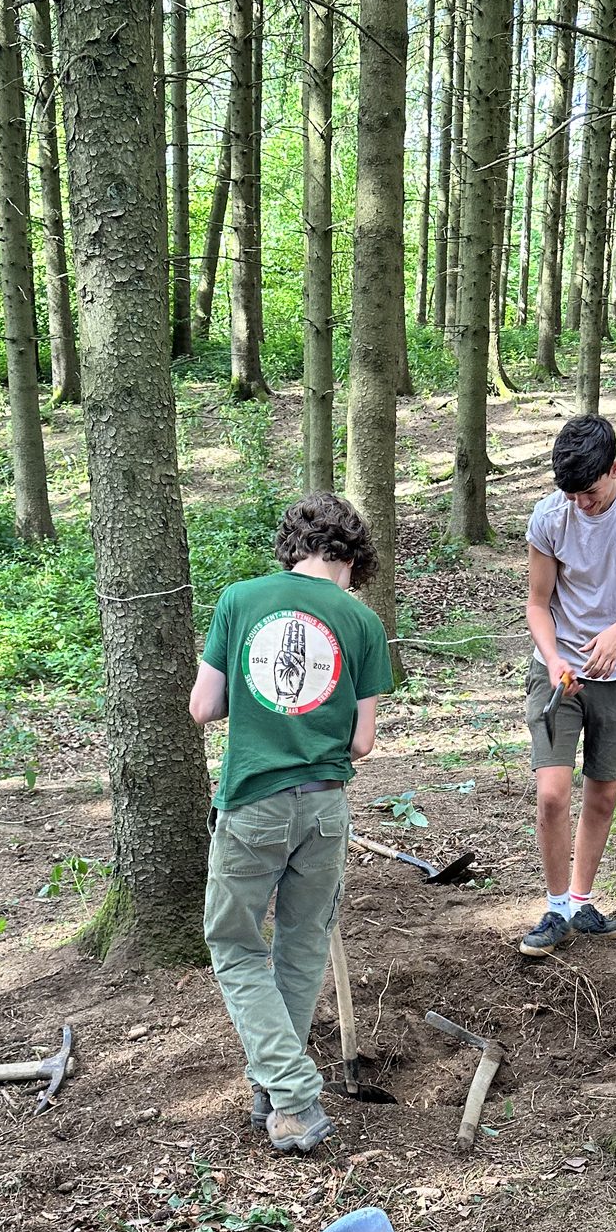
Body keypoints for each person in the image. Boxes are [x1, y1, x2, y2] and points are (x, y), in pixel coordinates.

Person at [190, 494, 394, 1153]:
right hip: (325, 806)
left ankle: (294, 1097)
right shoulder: (361, 622)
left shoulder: (240, 599)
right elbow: (363, 744)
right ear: (351, 560)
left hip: (253, 802)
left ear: (292, 548)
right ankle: (274, 1094)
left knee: (234, 944)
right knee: (302, 946)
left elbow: (203, 706)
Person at [519, 414, 616, 957]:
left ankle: (583, 903)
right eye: (570, 495)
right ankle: (556, 907)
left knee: (603, 793)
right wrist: (556, 656)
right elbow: (539, 604)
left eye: (588, 493)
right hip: (557, 669)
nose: (579, 505)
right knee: (552, 793)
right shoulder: (550, 516)